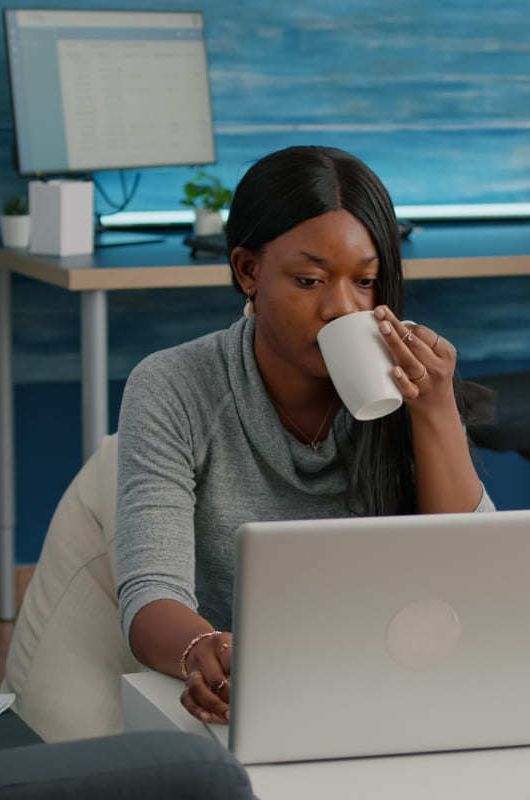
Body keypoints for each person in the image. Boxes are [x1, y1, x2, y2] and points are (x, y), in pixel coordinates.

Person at [114, 145, 495, 727]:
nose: (341, 308)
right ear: (248, 270)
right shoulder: (174, 386)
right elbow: (150, 590)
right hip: (257, 696)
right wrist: (203, 651)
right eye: (310, 280)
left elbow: (472, 577)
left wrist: (436, 411)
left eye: (365, 282)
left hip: (401, 682)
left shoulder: (411, 384)